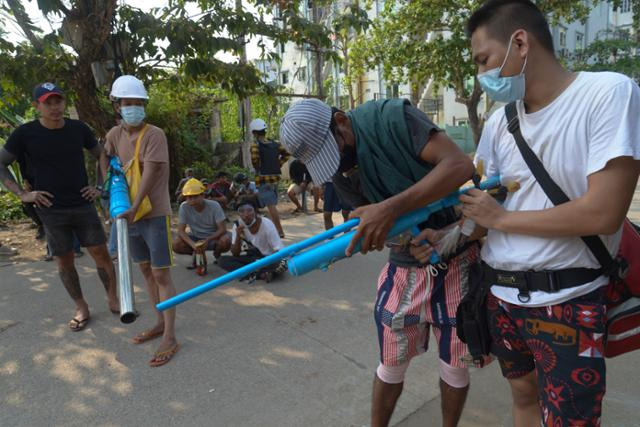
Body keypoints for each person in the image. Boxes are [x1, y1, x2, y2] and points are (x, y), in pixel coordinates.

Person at [431, 1, 639, 425]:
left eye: (483, 59)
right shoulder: (499, 122)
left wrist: (499, 220)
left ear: (520, 42)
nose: (481, 75)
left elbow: (603, 213)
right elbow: (488, 208)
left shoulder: (607, 94)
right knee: (524, 397)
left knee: (570, 418)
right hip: (500, 296)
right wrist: (445, 239)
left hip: (567, 299)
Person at [280, 98, 479, 427]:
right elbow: (370, 222)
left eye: (336, 149)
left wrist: (391, 209)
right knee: (390, 361)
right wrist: (395, 237)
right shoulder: (339, 169)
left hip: (459, 252)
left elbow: (459, 167)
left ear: (342, 121)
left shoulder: (393, 119)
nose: (339, 164)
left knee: (456, 364)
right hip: (405, 267)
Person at [0, 82, 119, 331]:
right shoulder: (25, 133)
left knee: (101, 253)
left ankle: (113, 299)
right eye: (48, 102)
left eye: (58, 101)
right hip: (50, 208)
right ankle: (81, 306)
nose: (55, 107)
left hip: (83, 204)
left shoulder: (78, 129)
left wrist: (100, 186)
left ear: (64, 102)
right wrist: (22, 194)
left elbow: (101, 153)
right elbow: (2, 163)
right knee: (64, 261)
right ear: (37, 106)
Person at [101, 75, 180, 367]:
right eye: (127, 103)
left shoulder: (154, 134)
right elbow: (105, 158)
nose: (133, 107)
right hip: (127, 214)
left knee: (161, 275)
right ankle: (159, 322)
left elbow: (150, 174)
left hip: (152, 213)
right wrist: (108, 193)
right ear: (117, 106)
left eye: (138, 103)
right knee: (145, 271)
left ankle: (170, 335)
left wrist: (134, 207)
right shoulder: (114, 135)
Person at [217, 201, 287, 283]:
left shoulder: (266, 224)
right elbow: (235, 253)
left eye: (249, 210)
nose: (246, 215)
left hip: (268, 258)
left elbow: (278, 250)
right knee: (222, 260)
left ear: (255, 212)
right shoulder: (237, 225)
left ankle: (253, 273)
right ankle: (261, 274)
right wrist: (238, 236)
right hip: (253, 259)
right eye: (241, 211)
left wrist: (272, 262)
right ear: (238, 214)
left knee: (283, 263)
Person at [172, 178, 231, 270]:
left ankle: (217, 254)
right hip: (196, 236)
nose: (192, 200)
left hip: (213, 237)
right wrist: (193, 245)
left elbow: (222, 229)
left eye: (195, 196)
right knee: (176, 244)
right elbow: (181, 231)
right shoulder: (184, 207)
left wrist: (207, 240)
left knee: (225, 241)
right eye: (189, 197)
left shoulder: (214, 205)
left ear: (203, 195)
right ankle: (197, 253)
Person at [249, 118, 289, 238]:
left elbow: (255, 160)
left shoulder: (255, 145)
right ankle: (271, 230)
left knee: (271, 207)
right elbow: (287, 154)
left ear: (255, 133)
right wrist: (279, 163)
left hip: (263, 178)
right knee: (270, 205)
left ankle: (279, 231)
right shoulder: (275, 143)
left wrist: (258, 167)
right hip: (275, 178)